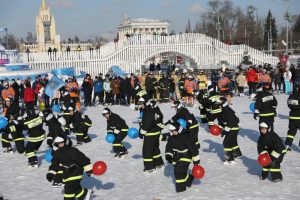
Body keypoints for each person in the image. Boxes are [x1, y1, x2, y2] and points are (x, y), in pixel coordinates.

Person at [165, 122, 200, 193]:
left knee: (178, 170)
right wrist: (169, 155)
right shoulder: (171, 137)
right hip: (176, 156)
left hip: (186, 155)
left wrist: (196, 161)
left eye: (173, 131)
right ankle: (189, 178)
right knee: (180, 171)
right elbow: (169, 146)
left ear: (178, 129)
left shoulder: (186, 137)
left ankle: (181, 189)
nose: (172, 133)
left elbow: (193, 148)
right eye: (171, 131)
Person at [139, 97, 164, 173]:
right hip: (156, 133)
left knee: (147, 151)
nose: (140, 105)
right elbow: (160, 117)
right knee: (155, 149)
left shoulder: (148, 111)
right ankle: (159, 164)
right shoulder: (155, 109)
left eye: (141, 103)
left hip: (150, 134)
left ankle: (149, 168)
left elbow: (147, 123)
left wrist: (141, 133)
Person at [216, 97, 242, 164]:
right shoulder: (223, 111)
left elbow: (233, 121)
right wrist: (220, 127)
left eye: (219, 105)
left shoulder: (228, 111)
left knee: (226, 142)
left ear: (223, 104)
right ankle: (237, 153)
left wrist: (225, 131)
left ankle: (230, 158)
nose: (218, 106)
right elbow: (222, 122)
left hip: (233, 128)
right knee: (233, 141)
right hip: (231, 128)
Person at [285, 86, 300, 151]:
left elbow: (288, 105)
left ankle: (287, 145)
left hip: (292, 117)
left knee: (291, 132)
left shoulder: (290, 96)